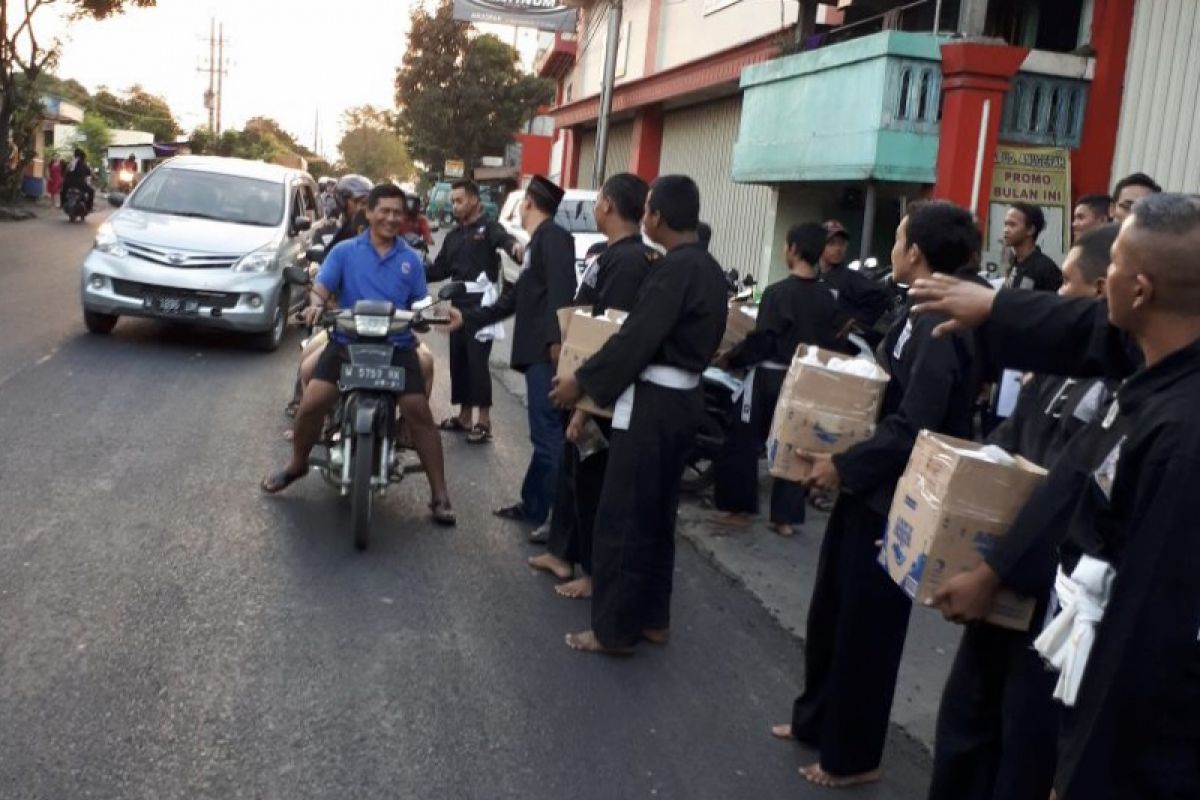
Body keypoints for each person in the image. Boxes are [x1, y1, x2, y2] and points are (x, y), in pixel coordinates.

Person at [911, 193, 1200, 800]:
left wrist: (1081, 770)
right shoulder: (1159, 353)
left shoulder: (1180, 439)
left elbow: (1145, 634)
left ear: (1139, 290)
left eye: (1113, 265)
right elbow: (1089, 330)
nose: (1100, 286)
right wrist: (996, 306)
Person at [771, 201, 985, 788]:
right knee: (831, 608)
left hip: (898, 495)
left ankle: (853, 756)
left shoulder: (942, 328)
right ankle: (815, 720)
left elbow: (914, 424)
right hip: (866, 486)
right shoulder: (913, 309)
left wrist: (843, 463)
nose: (892, 248)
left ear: (914, 252)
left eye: (896, 239)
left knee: (868, 630)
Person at [924, 224, 1120, 800]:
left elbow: (1069, 489)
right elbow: (1011, 440)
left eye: (1066, 285)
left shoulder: (1127, 387)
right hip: (997, 566)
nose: (1056, 297)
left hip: (1048, 592)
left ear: (1110, 290)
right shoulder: (1058, 366)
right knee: (965, 724)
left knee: (1024, 743)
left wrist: (997, 571)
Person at [549, 174, 728, 655]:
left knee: (622, 518)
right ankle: (652, 619)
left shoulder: (674, 270)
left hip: (653, 405)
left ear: (658, 216)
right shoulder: (707, 268)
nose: (645, 215)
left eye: (648, 208)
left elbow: (636, 339)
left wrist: (580, 384)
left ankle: (613, 631)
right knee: (656, 515)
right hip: (683, 403)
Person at [261, 183, 456, 525]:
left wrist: (436, 314)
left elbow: (421, 303)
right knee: (311, 404)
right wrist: (314, 306)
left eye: (398, 213)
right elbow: (321, 288)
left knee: (418, 413)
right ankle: (297, 464)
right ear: (369, 212)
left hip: (396, 346)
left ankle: (439, 494)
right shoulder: (345, 252)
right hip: (347, 343)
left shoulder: (411, 259)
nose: (391, 218)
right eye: (384, 211)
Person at [527, 172, 656, 597]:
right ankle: (561, 554)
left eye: (599, 199)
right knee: (573, 473)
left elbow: (611, 338)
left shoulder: (630, 262)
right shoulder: (609, 254)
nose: (596, 206)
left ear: (609, 205)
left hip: (598, 394)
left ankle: (595, 572)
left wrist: (583, 405)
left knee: (594, 483)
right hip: (578, 383)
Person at [449, 176, 576, 526]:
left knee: (549, 435)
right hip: (537, 353)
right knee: (543, 434)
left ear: (530, 204)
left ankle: (555, 521)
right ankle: (533, 505)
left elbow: (562, 292)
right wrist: (470, 318)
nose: (519, 209)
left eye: (521, 203)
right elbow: (517, 296)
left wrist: (555, 344)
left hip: (545, 354)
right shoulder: (540, 241)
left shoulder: (554, 238)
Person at [710, 222, 845, 537]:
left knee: (742, 442)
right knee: (794, 446)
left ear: (794, 249)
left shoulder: (777, 293)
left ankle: (739, 510)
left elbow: (763, 340)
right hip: (805, 381)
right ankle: (784, 518)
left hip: (768, 377)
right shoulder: (828, 297)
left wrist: (732, 358)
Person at [428, 180, 522, 444]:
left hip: (481, 305)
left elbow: (505, 241)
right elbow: (440, 269)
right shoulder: (454, 236)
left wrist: (515, 248)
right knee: (458, 361)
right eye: (453, 202)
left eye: (458, 200)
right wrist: (412, 270)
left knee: (477, 362)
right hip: (457, 303)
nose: (454, 206)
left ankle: (484, 421)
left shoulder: (489, 229)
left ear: (473, 200)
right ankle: (464, 416)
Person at [818, 220, 891, 333]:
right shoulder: (815, 278)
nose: (838, 248)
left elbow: (881, 296)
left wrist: (855, 322)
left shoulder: (849, 277)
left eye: (841, 243)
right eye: (831, 243)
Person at [1002, 202, 1061, 292]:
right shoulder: (1015, 264)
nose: (1006, 230)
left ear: (1030, 230)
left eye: (1012, 225)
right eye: (1005, 224)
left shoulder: (1046, 269)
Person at [63, 148, 95, 213]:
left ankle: (63, 203)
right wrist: (94, 177)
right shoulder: (83, 164)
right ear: (82, 157)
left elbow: (66, 172)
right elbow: (89, 173)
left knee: (63, 191)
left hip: (68, 184)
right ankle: (89, 207)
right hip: (80, 184)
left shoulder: (71, 162)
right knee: (92, 191)